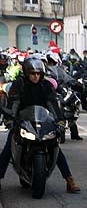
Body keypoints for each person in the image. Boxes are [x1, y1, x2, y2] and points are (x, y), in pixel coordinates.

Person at [0, 57, 81, 193]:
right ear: (26, 73)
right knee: (9, 145)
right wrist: (10, 118)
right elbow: (14, 102)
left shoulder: (46, 86)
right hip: (22, 121)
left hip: (43, 120)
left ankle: (69, 179)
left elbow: (52, 103)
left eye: (38, 73)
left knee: (54, 145)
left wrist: (59, 120)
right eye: (33, 73)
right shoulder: (19, 84)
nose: (36, 76)